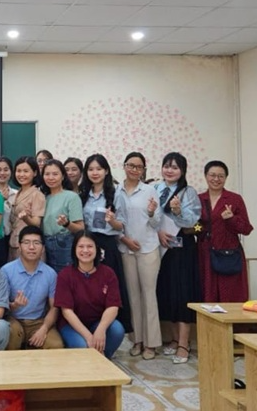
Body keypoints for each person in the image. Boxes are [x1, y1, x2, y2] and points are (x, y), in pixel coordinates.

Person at [155, 152, 202, 365]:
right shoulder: (155, 189)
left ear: (182, 171)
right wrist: (158, 233)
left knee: (182, 294)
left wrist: (178, 211)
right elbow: (148, 217)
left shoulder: (188, 192)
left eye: (175, 167)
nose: (170, 170)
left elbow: (192, 221)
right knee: (168, 294)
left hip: (182, 249)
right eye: (167, 166)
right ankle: (174, 339)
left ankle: (184, 344)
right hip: (160, 246)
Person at [78, 154, 132, 333]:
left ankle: (110, 329)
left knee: (106, 288)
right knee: (88, 287)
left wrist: (112, 221)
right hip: (87, 244)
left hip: (107, 245)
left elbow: (121, 225)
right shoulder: (83, 194)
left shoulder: (116, 193)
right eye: (91, 169)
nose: (95, 173)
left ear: (106, 171)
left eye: (99, 169)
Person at [117, 152, 162, 360]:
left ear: (144, 170)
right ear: (124, 166)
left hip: (148, 249)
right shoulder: (116, 190)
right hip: (126, 249)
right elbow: (114, 221)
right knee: (132, 297)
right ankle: (137, 340)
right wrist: (124, 239)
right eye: (131, 165)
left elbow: (156, 222)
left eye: (139, 167)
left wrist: (152, 212)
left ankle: (151, 343)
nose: (134, 170)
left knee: (149, 296)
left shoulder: (149, 190)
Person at [55, 231, 124, 359]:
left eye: (90, 246)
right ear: (74, 249)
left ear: (97, 249)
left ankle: (103, 359)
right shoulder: (65, 275)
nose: (85, 250)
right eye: (81, 246)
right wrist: (89, 337)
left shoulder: (108, 273)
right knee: (82, 345)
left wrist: (101, 329)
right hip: (71, 326)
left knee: (117, 329)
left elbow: (113, 306)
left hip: (97, 323)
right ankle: (95, 359)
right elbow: (67, 311)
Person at [198, 161, 254, 303]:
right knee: (207, 296)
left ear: (226, 178)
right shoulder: (198, 199)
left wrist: (232, 219)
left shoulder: (235, 199)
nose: (216, 179)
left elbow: (246, 229)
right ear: (205, 176)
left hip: (229, 255)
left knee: (231, 296)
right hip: (205, 254)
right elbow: (193, 226)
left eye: (221, 176)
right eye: (212, 175)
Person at [2, 226, 63, 351]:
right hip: (13, 319)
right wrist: (14, 305)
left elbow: (54, 307)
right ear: (19, 246)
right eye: (26, 242)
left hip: (38, 321)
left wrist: (44, 329)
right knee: (12, 336)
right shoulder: (6, 271)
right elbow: (1, 306)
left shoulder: (50, 273)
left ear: (43, 248)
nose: (31, 247)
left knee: (56, 346)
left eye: (36, 243)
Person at [41, 159, 84, 274]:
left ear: (63, 176)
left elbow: (80, 228)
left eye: (55, 174)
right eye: (47, 174)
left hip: (64, 243)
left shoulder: (71, 197)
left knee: (66, 277)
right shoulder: (44, 198)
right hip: (45, 244)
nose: (51, 178)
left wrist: (67, 224)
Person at [8, 156, 45, 260]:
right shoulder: (17, 193)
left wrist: (26, 218)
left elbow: (36, 223)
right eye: (18, 171)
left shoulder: (37, 195)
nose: (21, 175)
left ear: (35, 173)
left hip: (29, 246)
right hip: (14, 242)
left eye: (26, 171)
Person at [0, 156, 17, 265]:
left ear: (11, 172)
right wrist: (0, 200)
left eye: (6, 170)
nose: (2, 173)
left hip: (11, 238)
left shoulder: (16, 194)